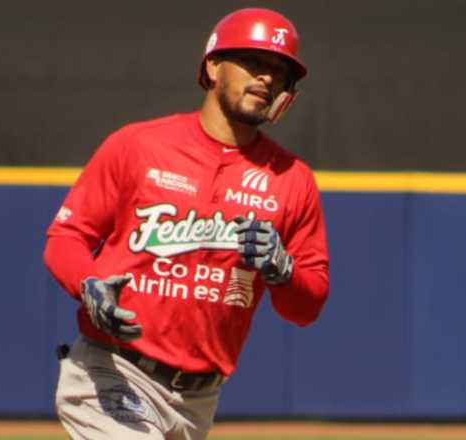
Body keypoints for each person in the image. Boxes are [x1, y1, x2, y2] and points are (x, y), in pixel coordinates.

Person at [44, 7, 329, 440]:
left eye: (279, 70)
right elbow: (66, 237)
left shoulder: (291, 180)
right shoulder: (138, 146)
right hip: (114, 370)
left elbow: (306, 308)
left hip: (199, 400)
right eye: (254, 62)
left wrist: (283, 272)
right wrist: (87, 283)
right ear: (213, 66)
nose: (267, 77)